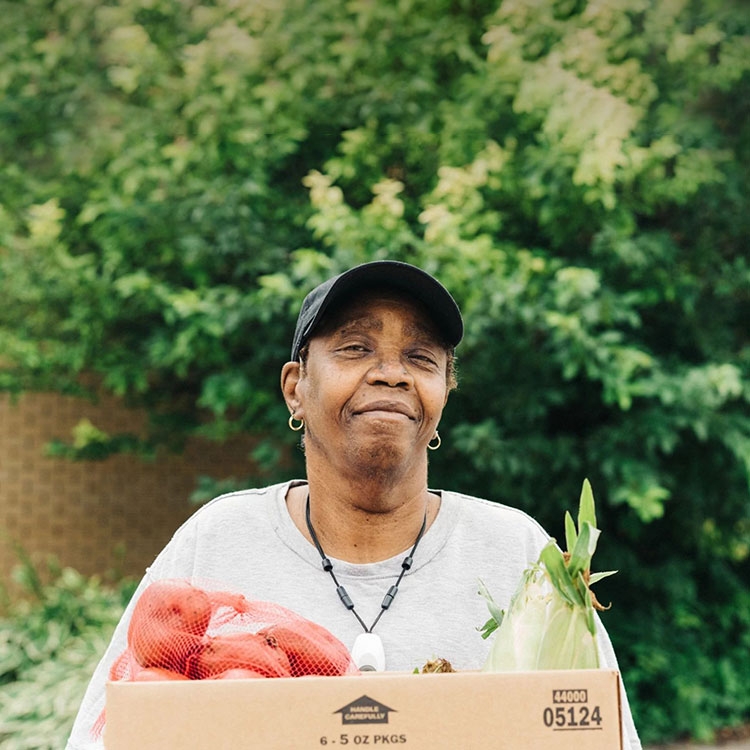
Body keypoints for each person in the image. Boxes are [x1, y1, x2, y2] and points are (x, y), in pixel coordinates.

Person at [66, 260, 641, 749]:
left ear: (444, 394)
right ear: (296, 387)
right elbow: (105, 736)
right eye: (355, 348)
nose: (391, 373)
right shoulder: (218, 541)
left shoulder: (518, 554)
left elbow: (597, 733)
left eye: (420, 358)